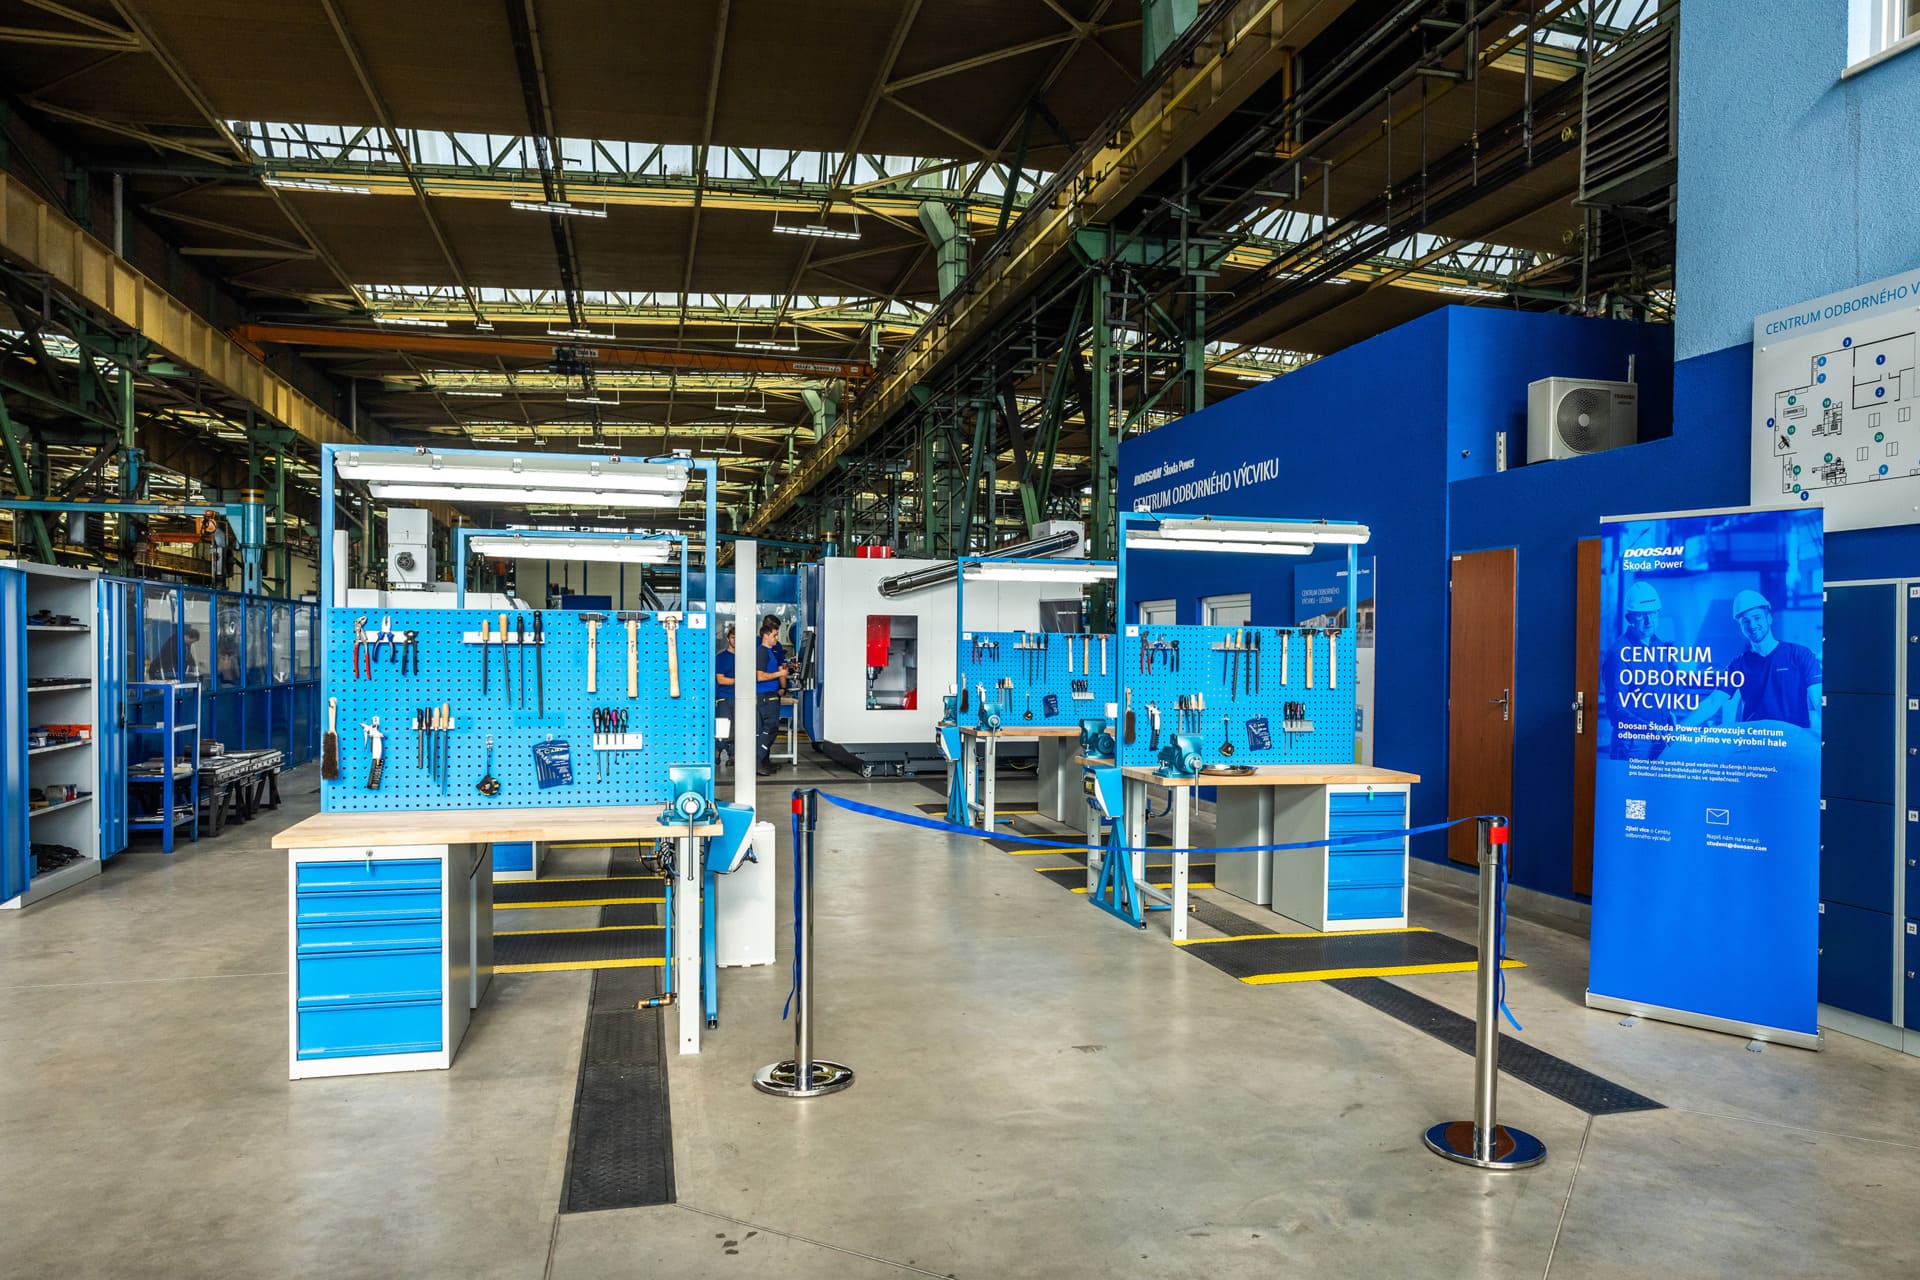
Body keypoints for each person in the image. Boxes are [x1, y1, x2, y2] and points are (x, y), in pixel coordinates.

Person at [1694, 589, 1822, 730]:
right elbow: (1713, 702)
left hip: (1792, 737)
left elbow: (1817, 698)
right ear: (1741, 627)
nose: (1752, 625)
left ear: (1769, 619)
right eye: (1746, 621)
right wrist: (1679, 730)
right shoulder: (1738, 665)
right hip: (1754, 738)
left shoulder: (1800, 655)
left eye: (1757, 618)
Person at [1600, 581, 1678, 759]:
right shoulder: (1619, 653)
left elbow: (1660, 690)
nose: (1649, 621)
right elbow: (1615, 708)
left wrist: (1668, 716)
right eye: (1641, 615)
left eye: (1653, 613)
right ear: (1629, 618)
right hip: (1633, 743)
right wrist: (1650, 728)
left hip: (1661, 739)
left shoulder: (1658, 645)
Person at [754, 615, 787, 777]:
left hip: (769, 694)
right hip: (765, 696)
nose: (776, 638)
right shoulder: (762, 653)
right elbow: (759, 676)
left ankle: (764, 762)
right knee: (770, 728)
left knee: (766, 729)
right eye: (774, 635)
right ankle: (756, 760)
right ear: (766, 635)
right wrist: (780, 674)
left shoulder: (769, 652)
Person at [714, 625, 739, 766]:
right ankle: (717, 751)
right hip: (724, 697)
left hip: (739, 698)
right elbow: (721, 679)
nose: (735, 640)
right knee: (723, 726)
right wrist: (738, 680)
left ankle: (733, 755)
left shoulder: (745, 658)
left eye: (738, 638)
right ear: (728, 639)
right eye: (733, 637)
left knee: (736, 728)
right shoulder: (721, 657)